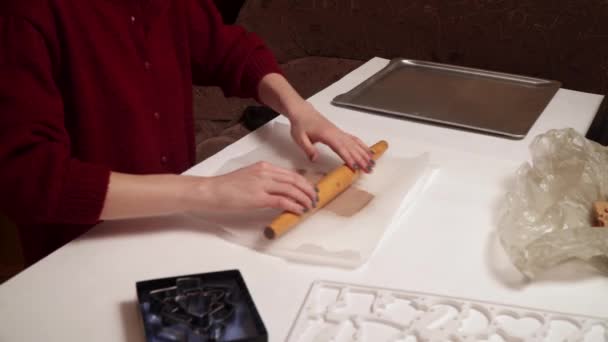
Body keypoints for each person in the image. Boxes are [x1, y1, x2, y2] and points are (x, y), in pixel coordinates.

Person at [0, 0, 374, 265]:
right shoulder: (24, 15)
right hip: (79, 251)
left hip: (174, 221)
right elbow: (28, 179)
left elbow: (228, 51)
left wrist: (299, 109)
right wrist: (208, 190)